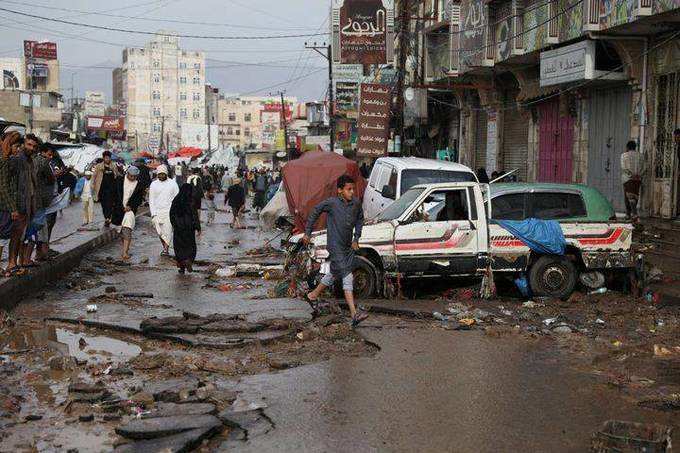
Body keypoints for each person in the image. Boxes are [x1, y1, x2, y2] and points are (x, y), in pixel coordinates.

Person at [302, 175, 368, 327]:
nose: (352, 192)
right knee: (347, 275)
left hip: (347, 247)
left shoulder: (356, 203)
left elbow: (360, 219)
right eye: (348, 189)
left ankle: (312, 295)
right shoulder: (331, 203)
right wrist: (307, 232)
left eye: (353, 189)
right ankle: (354, 314)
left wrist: (356, 238)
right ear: (339, 191)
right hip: (334, 245)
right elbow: (315, 211)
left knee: (334, 273)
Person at [8, 134, 39, 271]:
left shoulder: (30, 161)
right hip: (19, 204)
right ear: (23, 145)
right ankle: (11, 263)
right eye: (29, 145)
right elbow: (8, 183)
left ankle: (21, 262)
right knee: (15, 235)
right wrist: (13, 205)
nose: (31, 148)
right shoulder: (17, 160)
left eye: (33, 146)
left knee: (23, 236)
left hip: (29, 205)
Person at [111, 166, 145, 260]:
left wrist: (131, 206)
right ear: (127, 174)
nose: (133, 178)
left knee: (127, 229)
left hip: (130, 211)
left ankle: (125, 252)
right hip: (118, 209)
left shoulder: (139, 185)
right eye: (131, 176)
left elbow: (138, 199)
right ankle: (125, 248)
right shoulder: (119, 180)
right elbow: (113, 194)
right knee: (120, 230)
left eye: (135, 176)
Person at [33, 143, 58, 262]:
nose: (51, 157)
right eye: (49, 154)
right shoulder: (43, 163)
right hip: (40, 201)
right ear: (43, 152)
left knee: (38, 228)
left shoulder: (34, 160)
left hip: (35, 200)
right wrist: (55, 175)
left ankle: (40, 253)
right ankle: (41, 253)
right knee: (40, 228)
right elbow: (51, 178)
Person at [170, 183, 201, 274]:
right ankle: (189, 260)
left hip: (178, 228)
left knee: (179, 247)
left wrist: (174, 224)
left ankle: (182, 267)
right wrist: (198, 227)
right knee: (190, 246)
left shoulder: (176, 200)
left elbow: (171, 214)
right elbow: (195, 215)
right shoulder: (191, 201)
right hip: (189, 228)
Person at [148, 165, 179, 256]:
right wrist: (153, 213)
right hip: (157, 212)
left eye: (163, 174)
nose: (161, 176)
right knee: (160, 232)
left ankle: (166, 250)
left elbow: (177, 198)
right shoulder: (153, 184)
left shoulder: (173, 184)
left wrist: (176, 211)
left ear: (166, 174)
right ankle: (164, 247)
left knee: (168, 231)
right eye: (159, 174)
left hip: (169, 211)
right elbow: (151, 200)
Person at [0, 133, 20, 275]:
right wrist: (12, 208)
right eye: (16, 146)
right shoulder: (5, 160)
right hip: (4, 205)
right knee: (2, 237)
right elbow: (3, 186)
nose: (18, 149)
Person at [92, 151, 121, 227]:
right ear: (103, 158)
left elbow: (117, 175)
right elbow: (94, 177)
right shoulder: (98, 166)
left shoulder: (114, 166)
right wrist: (92, 186)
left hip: (112, 190)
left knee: (110, 205)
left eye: (108, 157)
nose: (107, 159)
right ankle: (106, 218)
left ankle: (108, 218)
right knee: (104, 205)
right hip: (102, 190)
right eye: (106, 158)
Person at [621, 140, 644, 221]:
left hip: (627, 179)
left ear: (627, 147)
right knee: (635, 195)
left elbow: (624, 167)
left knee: (628, 197)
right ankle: (630, 214)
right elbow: (644, 167)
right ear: (635, 147)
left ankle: (633, 213)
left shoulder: (624, 155)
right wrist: (638, 175)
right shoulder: (641, 156)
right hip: (637, 179)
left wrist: (631, 174)